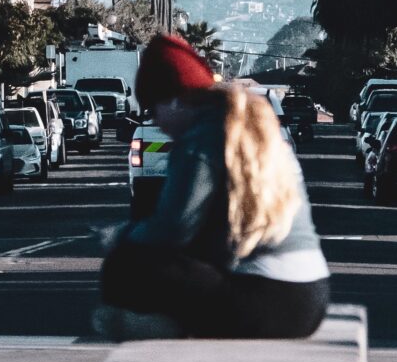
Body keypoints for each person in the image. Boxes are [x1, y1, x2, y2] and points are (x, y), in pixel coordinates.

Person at [94, 35, 331, 340]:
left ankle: (162, 327)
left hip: (263, 300)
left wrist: (120, 236)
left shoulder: (201, 139)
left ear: (176, 99)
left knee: (124, 265)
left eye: (154, 110)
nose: (158, 124)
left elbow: (174, 227)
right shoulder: (250, 125)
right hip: (310, 298)